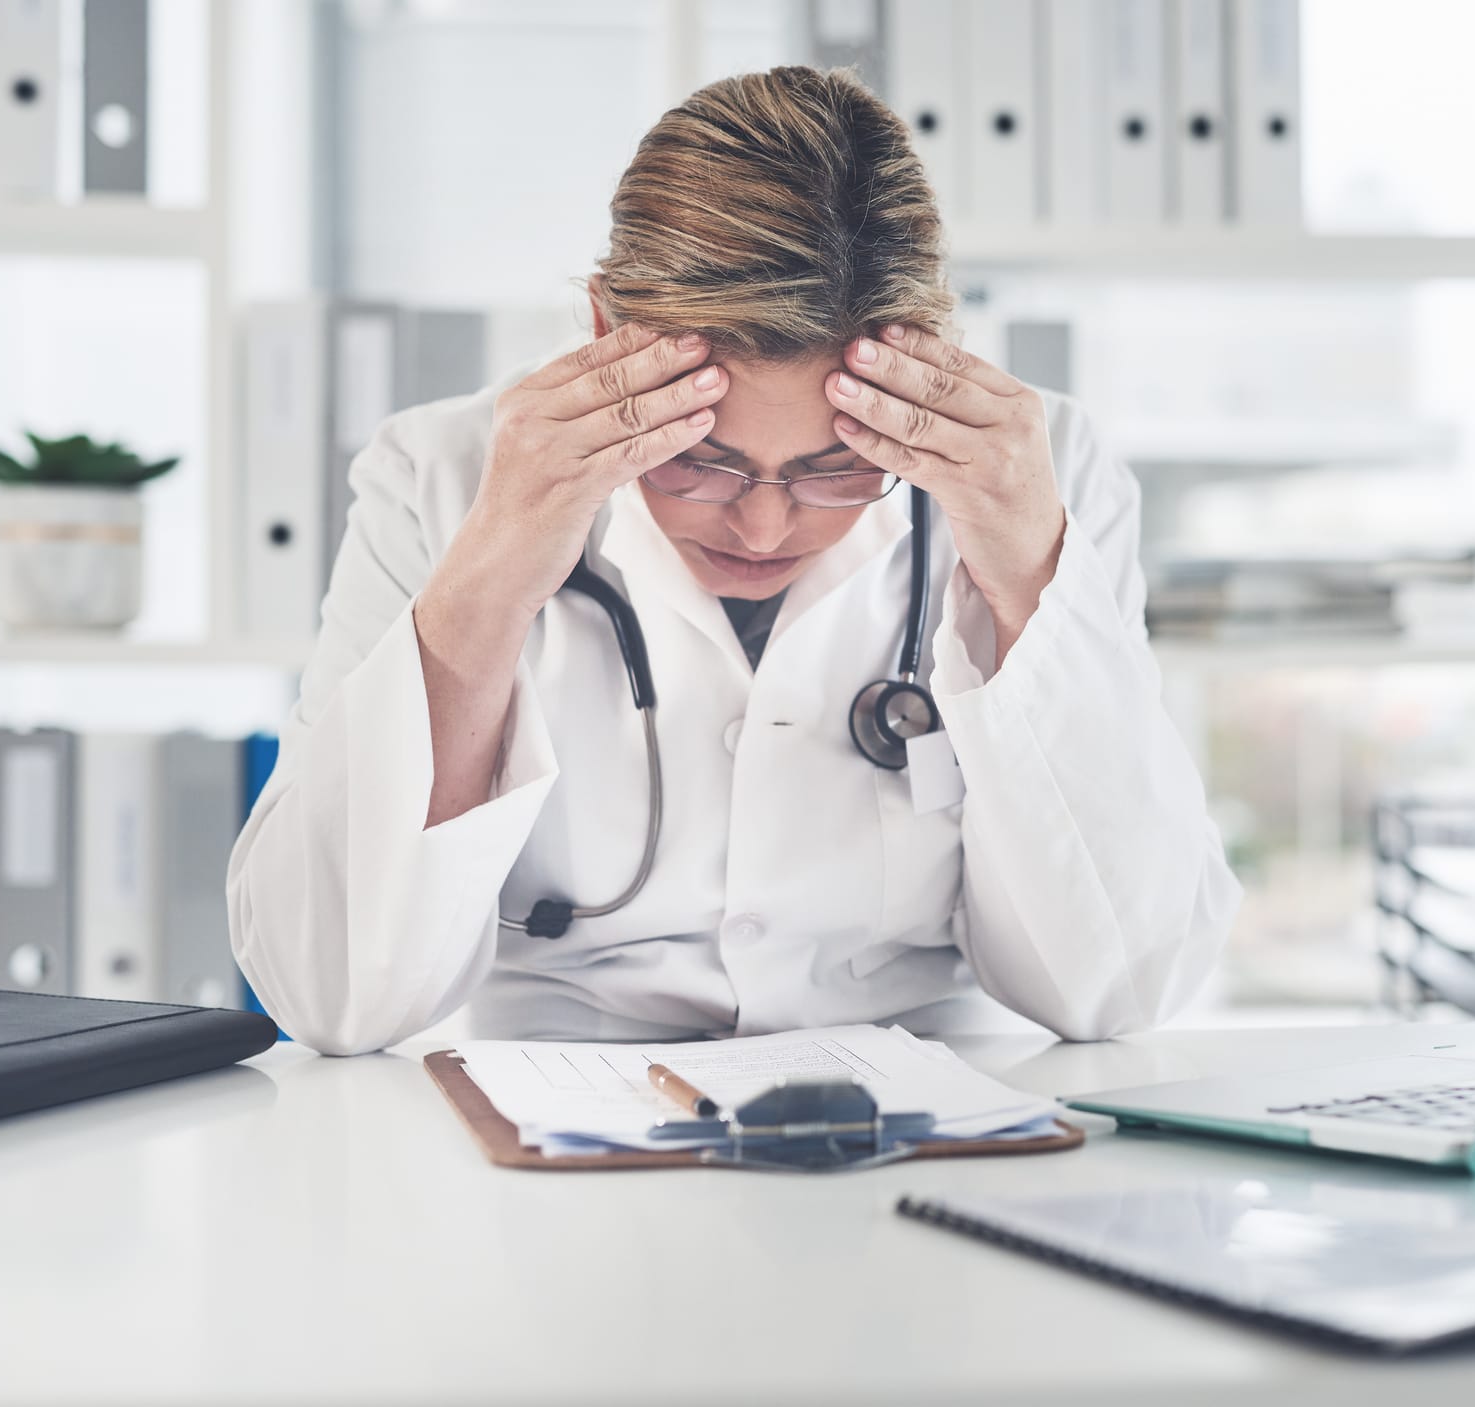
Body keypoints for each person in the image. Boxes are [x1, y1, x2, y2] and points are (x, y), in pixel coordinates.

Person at [227, 66, 1241, 1055]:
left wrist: (1028, 573)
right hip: (559, 1121)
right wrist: (495, 564)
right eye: (700, 462)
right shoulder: (436, 477)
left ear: (922, 368)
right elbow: (328, 995)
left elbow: (1120, 986)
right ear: (601, 334)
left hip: (925, 1112)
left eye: (834, 469)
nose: (761, 529)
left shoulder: (1039, 477)